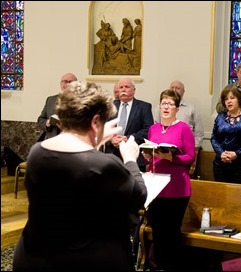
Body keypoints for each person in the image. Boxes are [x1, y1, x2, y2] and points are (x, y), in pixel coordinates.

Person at [13, 81, 148, 271]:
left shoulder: (38, 153)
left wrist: (94, 140)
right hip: (87, 260)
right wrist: (130, 159)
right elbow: (139, 195)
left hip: (35, 255)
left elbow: (76, 156)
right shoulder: (105, 164)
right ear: (95, 122)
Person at [142, 89, 195, 270]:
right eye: (164, 103)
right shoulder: (153, 128)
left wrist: (172, 158)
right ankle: (158, 266)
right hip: (156, 186)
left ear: (177, 108)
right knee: (157, 232)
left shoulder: (184, 128)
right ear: (159, 106)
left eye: (170, 104)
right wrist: (148, 156)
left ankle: (172, 266)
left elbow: (190, 156)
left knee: (171, 232)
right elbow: (151, 153)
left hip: (176, 187)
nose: (166, 107)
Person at [211, 87, 241, 185]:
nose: (229, 101)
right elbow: (214, 137)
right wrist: (221, 153)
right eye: (226, 99)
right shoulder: (220, 117)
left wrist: (236, 154)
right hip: (221, 163)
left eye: (232, 98)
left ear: (239, 99)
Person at [104, 78, 154, 172]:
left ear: (134, 90)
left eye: (127, 87)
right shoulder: (109, 106)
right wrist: (111, 138)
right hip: (112, 155)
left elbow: (148, 130)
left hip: (134, 156)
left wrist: (127, 138)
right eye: (121, 87)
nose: (123, 89)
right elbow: (102, 127)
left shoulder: (144, 107)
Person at [154, 80, 204, 148]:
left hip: (185, 147)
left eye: (177, 88)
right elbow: (156, 126)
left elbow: (199, 131)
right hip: (163, 147)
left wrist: (194, 147)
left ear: (183, 91)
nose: (174, 90)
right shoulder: (160, 107)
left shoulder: (191, 108)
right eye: (172, 87)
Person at [37, 73, 77, 140]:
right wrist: (47, 123)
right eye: (65, 81)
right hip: (51, 141)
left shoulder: (82, 101)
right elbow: (41, 119)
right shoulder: (50, 100)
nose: (67, 84)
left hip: (72, 142)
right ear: (61, 84)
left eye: (70, 82)